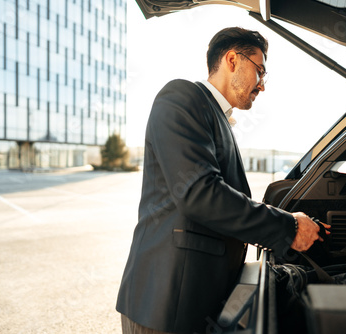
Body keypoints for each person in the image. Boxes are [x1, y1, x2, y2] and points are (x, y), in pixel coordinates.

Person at [116, 27, 330, 334]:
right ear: (232, 59)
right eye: (260, 71)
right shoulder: (182, 97)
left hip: (195, 303)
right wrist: (289, 227)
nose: (262, 86)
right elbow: (200, 194)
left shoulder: (216, 117)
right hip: (166, 305)